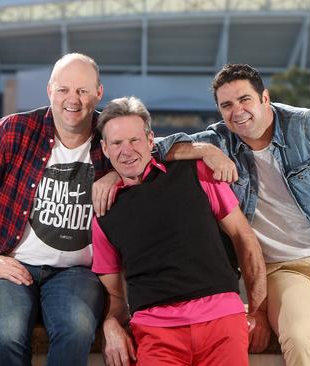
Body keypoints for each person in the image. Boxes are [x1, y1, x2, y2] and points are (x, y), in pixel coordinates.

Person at [156, 64, 310, 366]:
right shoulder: (220, 140)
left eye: (245, 100)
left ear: (265, 99)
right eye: (226, 105)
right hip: (282, 270)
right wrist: (205, 150)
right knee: (297, 338)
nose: (237, 111)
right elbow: (154, 150)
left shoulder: (307, 126)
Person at [0, 53, 118, 365]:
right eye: (63, 90)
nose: (72, 100)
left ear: (99, 93)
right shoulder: (15, 131)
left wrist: (118, 172)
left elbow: (153, 153)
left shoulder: (113, 139)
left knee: (76, 330)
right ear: (50, 90)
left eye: (83, 91)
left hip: (77, 273)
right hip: (10, 263)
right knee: (7, 334)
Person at [91, 96, 266, 366]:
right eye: (116, 143)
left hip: (221, 321)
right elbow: (115, 296)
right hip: (155, 333)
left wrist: (258, 310)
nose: (127, 150)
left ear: (151, 140)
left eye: (135, 140)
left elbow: (244, 238)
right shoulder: (104, 214)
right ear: (104, 148)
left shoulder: (196, 171)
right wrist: (110, 324)